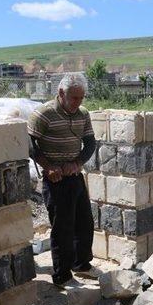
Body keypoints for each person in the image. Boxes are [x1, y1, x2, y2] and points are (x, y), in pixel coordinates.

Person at [27, 73, 97, 286]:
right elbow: (30, 145)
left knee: (84, 222)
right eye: (74, 98)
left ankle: (81, 264)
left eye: (81, 98)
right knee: (62, 228)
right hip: (55, 181)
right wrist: (49, 167)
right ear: (61, 93)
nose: (78, 102)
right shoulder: (43, 114)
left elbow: (90, 144)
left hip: (75, 176)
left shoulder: (82, 114)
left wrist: (76, 163)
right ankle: (62, 275)